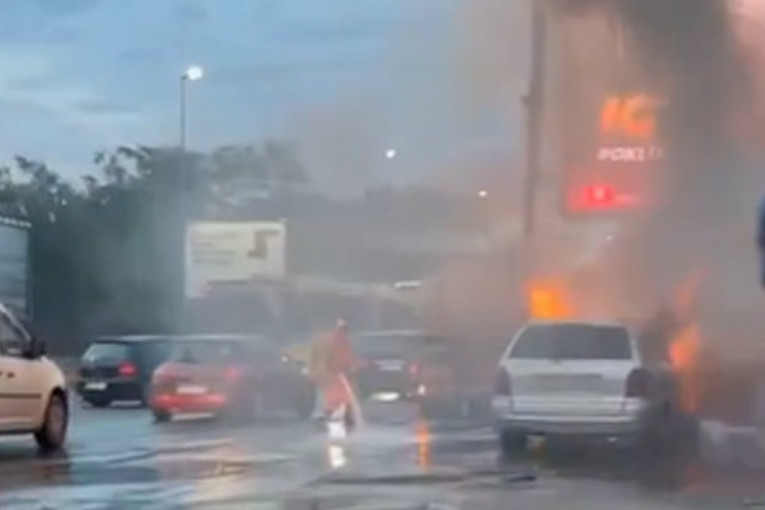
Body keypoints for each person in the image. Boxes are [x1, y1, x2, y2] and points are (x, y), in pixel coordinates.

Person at [308, 319, 361, 429]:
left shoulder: (337, 340)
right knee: (333, 395)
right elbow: (338, 357)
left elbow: (345, 356)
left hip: (330, 373)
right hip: (332, 373)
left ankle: (325, 414)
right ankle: (329, 414)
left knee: (328, 395)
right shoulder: (334, 341)